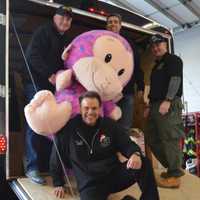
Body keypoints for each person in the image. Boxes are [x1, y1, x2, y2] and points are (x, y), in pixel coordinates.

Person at [50, 91, 159, 200]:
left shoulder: (110, 125)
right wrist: (58, 183)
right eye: (86, 108)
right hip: (90, 184)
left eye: (94, 108)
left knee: (144, 163)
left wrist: (135, 154)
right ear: (80, 108)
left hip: (113, 175)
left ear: (100, 108)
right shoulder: (69, 129)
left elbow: (127, 144)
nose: (90, 112)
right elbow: (56, 155)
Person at [22, 6, 73, 184]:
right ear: (54, 17)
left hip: (54, 88)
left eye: (68, 19)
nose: (65, 21)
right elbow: (32, 56)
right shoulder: (43, 32)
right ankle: (32, 168)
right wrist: (50, 74)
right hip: (37, 84)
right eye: (62, 17)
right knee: (36, 124)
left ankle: (52, 168)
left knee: (54, 126)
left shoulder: (66, 39)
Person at [144, 34, 185, 188]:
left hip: (168, 103)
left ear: (165, 45)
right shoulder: (156, 65)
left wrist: (168, 100)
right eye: (153, 46)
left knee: (169, 138)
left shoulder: (173, 60)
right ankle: (172, 168)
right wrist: (149, 106)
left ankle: (174, 174)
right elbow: (155, 88)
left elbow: (175, 80)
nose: (156, 48)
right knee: (152, 137)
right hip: (155, 105)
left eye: (159, 44)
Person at [106, 13, 144, 133]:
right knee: (108, 125)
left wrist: (141, 87)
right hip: (108, 93)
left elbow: (137, 65)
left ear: (120, 25)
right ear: (107, 25)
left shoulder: (129, 43)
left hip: (127, 92)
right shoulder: (102, 40)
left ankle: (123, 152)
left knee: (125, 126)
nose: (113, 24)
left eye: (115, 22)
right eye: (110, 22)